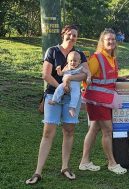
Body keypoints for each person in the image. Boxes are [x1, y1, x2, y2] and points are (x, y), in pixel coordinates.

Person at [26, 25, 87, 185]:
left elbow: (86, 74)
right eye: (69, 34)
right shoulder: (52, 51)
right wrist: (62, 86)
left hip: (71, 98)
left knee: (69, 131)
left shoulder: (80, 54)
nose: (72, 37)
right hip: (53, 94)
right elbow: (45, 74)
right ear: (63, 34)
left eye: (75, 35)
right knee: (48, 132)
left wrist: (69, 81)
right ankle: (38, 171)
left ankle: (65, 167)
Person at [79, 28, 129, 174]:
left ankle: (85, 161)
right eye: (108, 39)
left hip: (105, 99)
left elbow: (105, 78)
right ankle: (112, 163)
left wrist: (120, 78)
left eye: (113, 39)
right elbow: (85, 76)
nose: (111, 41)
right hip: (97, 100)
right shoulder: (97, 58)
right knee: (107, 130)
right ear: (102, 42)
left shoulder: (112, 58)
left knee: (94, 128)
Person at [49, 51, 91, 117]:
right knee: (59, 88)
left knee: (76, 94)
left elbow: (88, 72)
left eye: (75, 61)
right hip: (65, 83)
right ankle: (55, 100)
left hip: (75, 84)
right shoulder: (67, 67)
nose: (73, 63)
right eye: (71, 61)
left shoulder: (81, 68)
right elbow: (61, 74)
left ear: (79, 62)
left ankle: (72, 107)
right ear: (68, 61)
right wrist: (58, 70)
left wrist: (88, 78)